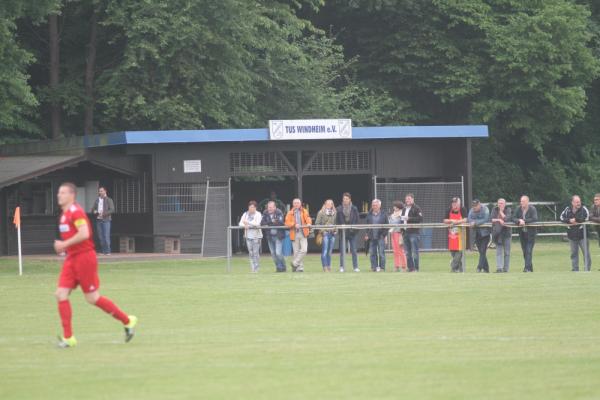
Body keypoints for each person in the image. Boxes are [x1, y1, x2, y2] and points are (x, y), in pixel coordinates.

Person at [54, 182, 137, 348]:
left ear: (72, 195)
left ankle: (128, 321)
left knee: (92, 298)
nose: (59, 195)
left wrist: (63, 244)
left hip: (85, 258)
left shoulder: (76, 212)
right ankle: (68, 338)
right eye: (59, 192)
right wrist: (66, 247)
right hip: (72, 259)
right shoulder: (64, 215)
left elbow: (84, 234)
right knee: (60, 294)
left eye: (62, 193)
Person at [560, 195, 591, 272]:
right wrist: (569, 220)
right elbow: (561, 217)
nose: (578, 203)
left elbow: (587, 217)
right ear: (572, 202)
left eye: (579, 202)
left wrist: (576, 220)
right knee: (574, 254)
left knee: (586, 253)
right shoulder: (567, 209)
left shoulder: (584, 209)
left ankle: (587, 269)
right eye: (577, 202)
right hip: (572, 236)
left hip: (583, 236)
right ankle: (575, 270)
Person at [285, 198, 312, 272]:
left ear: (300, 204)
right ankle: (299, 268)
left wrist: (309, 223)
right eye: (295, 203)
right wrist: (294, 225)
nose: (296, 204)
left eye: (298, 203)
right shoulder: (290, 212)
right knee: (296, 252)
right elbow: (287, 222)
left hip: (303, 233)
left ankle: (294, 263)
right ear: (293, 204)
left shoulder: (304, 211)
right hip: (294, 233)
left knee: (304, 249)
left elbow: (308, 218)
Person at [336, 192, 360, 272]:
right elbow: (337, 221)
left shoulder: (354, 208)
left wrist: (355, 230)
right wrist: (339, 229)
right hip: (343, 232)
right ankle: (342, 267)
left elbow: (357, 220)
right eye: (344, 199)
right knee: (342, 251)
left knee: (354, 250)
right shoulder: (339, 208)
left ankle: (355, 267)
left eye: (346, 199)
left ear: (350, 200)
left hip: (352, 233)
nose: (345, 200)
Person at [512, 195, 538, 272]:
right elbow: (513, 217)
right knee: (524, 251)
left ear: (527, 202)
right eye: (521, 201)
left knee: (529, 250)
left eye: (523, 201)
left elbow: (535, 218)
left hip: (531, 234)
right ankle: (530, 268)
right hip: (522, 233)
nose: (521, 203)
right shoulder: (518, 208)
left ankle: (526, 268)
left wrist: (524, 221)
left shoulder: (532, 209)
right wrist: (519, 221)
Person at [261, 201, 287, 272]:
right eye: (269, 207)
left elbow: (280, 222)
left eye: (271, 207)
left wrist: (269, 223)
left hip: (278, 236)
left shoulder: (279, 212)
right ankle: (278, 267)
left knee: (278, 253)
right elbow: (262, 223)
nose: (270, 209)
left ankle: (284, 267)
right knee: (273, 254)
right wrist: (272, 222)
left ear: (275, 207)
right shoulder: (265, 212)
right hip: (270, 236)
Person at [443, 197, 467, 273]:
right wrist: (451, 220)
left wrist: (457, 222)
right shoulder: (448, 209)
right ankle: (460, 269)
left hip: (460, 236)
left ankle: (453, 267)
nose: (454, 205)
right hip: (452, 236)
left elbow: (466, 219)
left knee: (459, 253)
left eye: (456, 203)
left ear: (459, 203)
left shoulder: (463, 209)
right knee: (453, 253)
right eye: (453, 203)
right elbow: (444, 220)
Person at [238, 200, 263, 273]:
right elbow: (240, 223)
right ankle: (252, 269)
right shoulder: (245, 214)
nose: (251, 208)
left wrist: (247, 223)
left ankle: (256, 268)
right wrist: (245, 225)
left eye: (253, 207)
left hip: (256, 236)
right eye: (250, 207)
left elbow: (257, 223)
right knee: (250, 253)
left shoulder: (258, 214)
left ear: (255, 208)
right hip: (248, 236)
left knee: (255, 253)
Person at [401, 193, 423, 272]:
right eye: (406, 199)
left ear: (413, 199)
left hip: (414, 233)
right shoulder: (404, 209)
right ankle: (410, 268)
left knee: (415, 251)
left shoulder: (417, 208)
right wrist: (402, 230)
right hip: (405, 233)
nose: (407, 200)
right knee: (407, 252)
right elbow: (402, 220)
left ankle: (416, 268)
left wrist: (409, 218)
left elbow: (420, 219)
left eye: (409, 199)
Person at [364, 199, 387, 272]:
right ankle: (374, 267)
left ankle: (382, 268)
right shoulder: (369, 214)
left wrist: (384, 235)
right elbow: (366, 225)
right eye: (373, 205)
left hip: (380, 236)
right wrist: (367, 234)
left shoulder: (384, 214)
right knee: (372, 253)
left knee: (381, 253)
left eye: (376, 205)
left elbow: (387, 226)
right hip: (371, 237)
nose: (374, 206)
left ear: (379, 206)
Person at [468, 199, 491, 273]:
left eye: (476, 206)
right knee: (481, 252)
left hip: (485, 234)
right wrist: (472, 222)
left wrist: (475, 223)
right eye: (473, 206)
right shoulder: (471, 210)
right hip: (476, 235)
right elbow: (469, 218)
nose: (474, 207)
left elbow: (486, 219)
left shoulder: (485, 209)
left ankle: (479, 268)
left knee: (483, 251)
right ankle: (486, 269)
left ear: (479, 204)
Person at [490, 198, 512, 273]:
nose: (500, 204)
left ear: (505, 204)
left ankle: (506, 269)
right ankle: (499, 268)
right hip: (498, 234)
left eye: (502, 203)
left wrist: (501, 212)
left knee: (507, 252)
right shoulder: (494, 209)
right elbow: (491, 219)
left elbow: (507, 219)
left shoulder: (508, 209)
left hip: (506, 234)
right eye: (499, 203)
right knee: (498, 252)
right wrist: (498, 220)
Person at [91, 186, 114, 255]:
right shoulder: (97, 200)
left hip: (106, 220)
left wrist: (103, 214)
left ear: (105, 191)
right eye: (99, 191)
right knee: (100, 236)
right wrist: (95, 211)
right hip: (99, 220)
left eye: (101, 191)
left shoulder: (109, 200)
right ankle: (103, 251)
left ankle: (108, 251)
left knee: (106, 236)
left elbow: (112, 209)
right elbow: (93, 209)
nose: (100, 192)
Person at [315, 199, 337, 272]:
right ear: (325, 204)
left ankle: (329, 266)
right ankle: (324, 267)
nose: (329, 205)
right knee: (324, 251)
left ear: (332, 205)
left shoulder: (334, 212)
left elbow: (336, 224)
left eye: (331, 204)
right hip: (325, 234)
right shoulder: (321, 212)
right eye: (327, 203)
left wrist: (335, 230)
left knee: (329, 252)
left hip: (332, 234)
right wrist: (322, 231)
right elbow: (317, 224)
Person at [388, 201, 407, 272]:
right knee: (395, 251)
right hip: (393, 233)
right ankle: (396, 266)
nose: (394, 207)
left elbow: (403, 224)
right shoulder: (393, 214)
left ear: (398, 207)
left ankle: (404, 266)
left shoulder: (402, 214)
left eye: (395, 206)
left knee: (400, 250)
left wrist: (402, 235)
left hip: (399, 233)